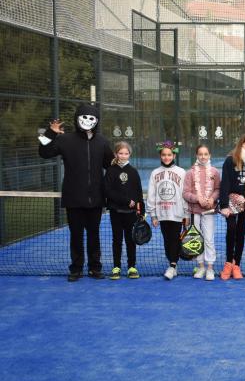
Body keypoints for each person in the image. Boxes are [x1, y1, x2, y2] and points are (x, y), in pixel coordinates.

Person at [38, 104, 114, 281]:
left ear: (96, 121)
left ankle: (95, 268)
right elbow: (44, 152)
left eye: (91, 118)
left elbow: (110, 165)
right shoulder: (65, 140)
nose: (87, 121)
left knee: (94, 235)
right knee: (76, 235)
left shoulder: (102, 141)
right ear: (77, 118)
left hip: (96, 199)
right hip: (73, 198)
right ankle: (76, 269)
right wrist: (50, 133)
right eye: (84, 117)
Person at [146, 140, 189, 280]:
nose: (166, 157)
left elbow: (184, 194)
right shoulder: (155, 173)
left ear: (174, 156)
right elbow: (151, 194)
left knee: (175, 239)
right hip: (162, 213)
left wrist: (186, 213)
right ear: (160, 156)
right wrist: (153, 215)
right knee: (166, 239)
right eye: (164, 155)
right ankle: (172, 263)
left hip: (177, 212)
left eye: (169, 155)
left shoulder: (181, 172)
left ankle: (173, 265)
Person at [103, 141, 144, 280]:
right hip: (116, 212)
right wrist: (126, 201)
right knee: (117, 240)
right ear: (116, 154)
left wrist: (142, 212)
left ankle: (132, 267)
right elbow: (108, 191)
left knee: (130, 240)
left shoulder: (133, 172)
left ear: (129, 154)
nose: (123, 155)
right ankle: (116, 267)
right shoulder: (110, 171)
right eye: (121, 153)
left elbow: (138, 193)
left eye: (126, 153)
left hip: (131, 214)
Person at [219, 133, 245, 281]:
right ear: (241, 145)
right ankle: (228, 263)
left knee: (241, 232)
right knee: (231, 229)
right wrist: (224, 205)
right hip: (231, 203)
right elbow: (225, 184)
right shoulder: (230, 161)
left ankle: (236, 265)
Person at [183, 144, 220, 281]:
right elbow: (185, 193)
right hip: (195, 212)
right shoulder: (190, 173)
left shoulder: (215, 172)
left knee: (209, 239)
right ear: (196, 156)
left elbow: (217, 189)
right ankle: (200, 266)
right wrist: (197, 198)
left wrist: (212, 199)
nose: (203, 157)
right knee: (196, 239)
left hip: (209, 212)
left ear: (209, 155)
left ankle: (210, 268)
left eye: (206, 154)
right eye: (200, 154)